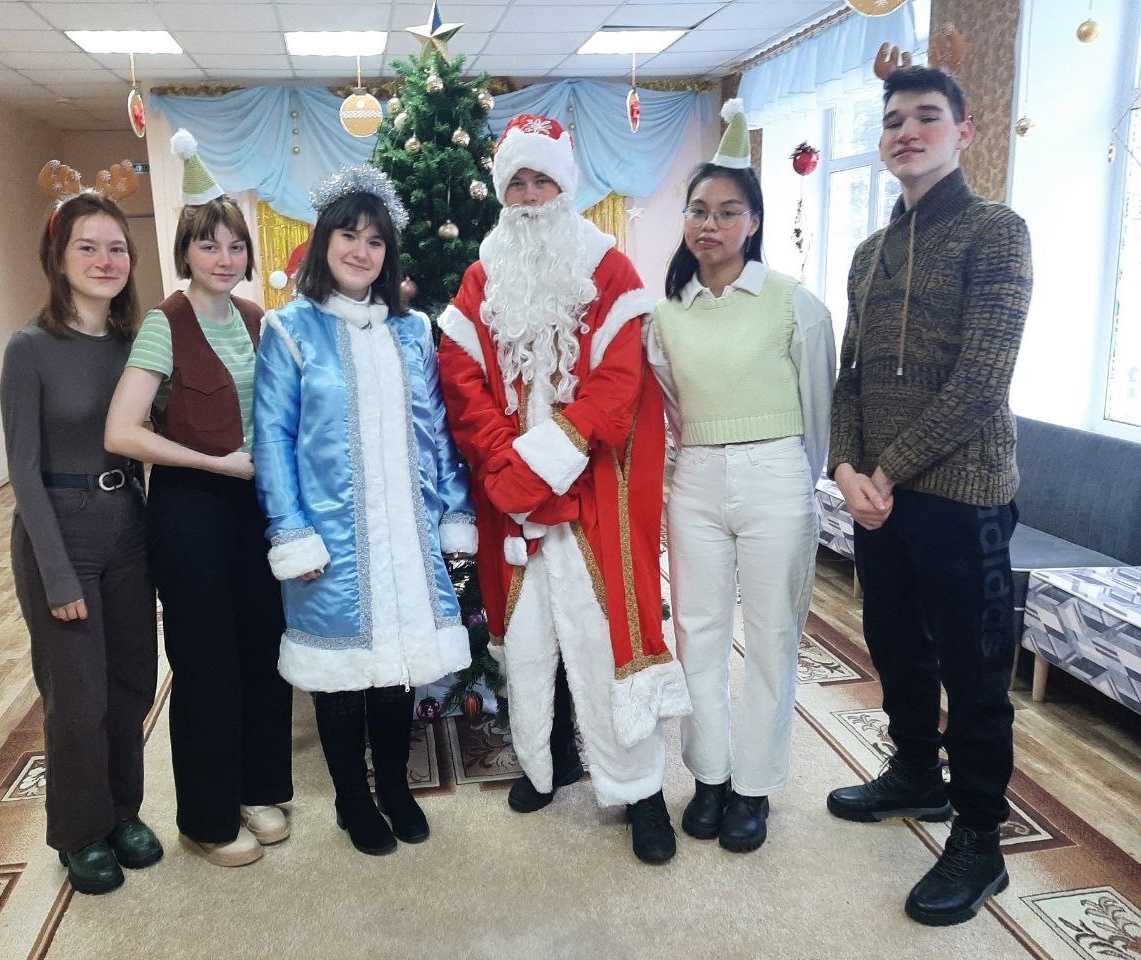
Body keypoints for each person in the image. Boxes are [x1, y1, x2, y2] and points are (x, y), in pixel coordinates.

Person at [437, 114, 691, 864]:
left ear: (565, 187)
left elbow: (618, 390)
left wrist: (543, 465)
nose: (528, 194)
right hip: (513, 502)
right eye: (516, 180)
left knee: (607, 635)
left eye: (541, 179)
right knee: (525, 639)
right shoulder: (483, 273)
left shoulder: (609, 269)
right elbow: (463, 381)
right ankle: (547, 764)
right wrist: (506, 471)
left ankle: (642, 793)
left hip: (591, 500)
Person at [824, 64, 1032, 926]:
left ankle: (980, 840)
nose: (906, 132)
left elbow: (982, 378)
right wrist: (844, 468)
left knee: (976, 671)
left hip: (964, 494)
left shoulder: (997, 232)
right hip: (878, 497)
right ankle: (916, 773)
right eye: (895, 121)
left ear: (964, 132)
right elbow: (850, 380)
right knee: (895, 645)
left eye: (926, 118)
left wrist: (887, 468)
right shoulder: (871, 252)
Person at [252, 165, 476, 856]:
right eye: (348, 235)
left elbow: (437, 431)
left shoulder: (412, 334)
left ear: (389, 254)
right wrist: (292, 534)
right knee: (342, 674)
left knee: (397, 669)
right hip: (331, 540)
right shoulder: (289, 331)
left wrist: (453, 516)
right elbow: (272, 439)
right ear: (323, 243)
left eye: (374, 241)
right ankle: (353, 797)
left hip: (406, 533)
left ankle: (396, 789)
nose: (360, 250)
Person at [646, 99, 836, 854]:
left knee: (770, 634)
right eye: (698, 210)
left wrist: (794, 477)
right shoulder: (667, 315)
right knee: (696, 630)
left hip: (776, 477)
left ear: (752, 222)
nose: (710, 225)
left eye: (727, 212)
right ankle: (711, 776)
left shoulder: (794, 304)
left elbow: (819, 409)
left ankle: (754, 787)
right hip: (694, 478)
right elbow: (668, 403)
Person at [104, 130, 293, 868]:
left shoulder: (254, 321)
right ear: (186, 253)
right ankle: (207, 819)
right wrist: (211, 462)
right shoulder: (164, 322)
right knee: (207, 663)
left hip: (251, 509)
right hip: (189, 511)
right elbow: (123, 431)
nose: (225, 258)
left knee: (260, 651)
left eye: (235, 246)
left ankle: (255, 787)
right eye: (209, 246)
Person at [1, 173, 161, 895]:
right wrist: (58, 575)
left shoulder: (135, 343)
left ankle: (124, 814)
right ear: (57, 257)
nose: (105, 260)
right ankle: (79, 831)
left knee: (131, 685)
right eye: (87, 247)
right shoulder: (28, 349)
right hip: (60, 534)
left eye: (117, 248)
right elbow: (23, 473)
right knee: (77, 698)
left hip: (128, 526)